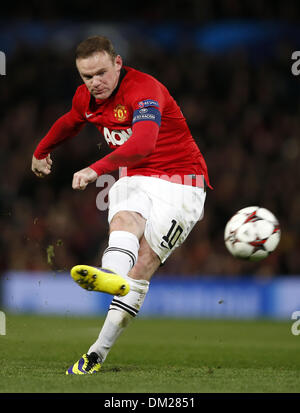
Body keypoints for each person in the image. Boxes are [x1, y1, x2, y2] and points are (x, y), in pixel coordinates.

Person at [31, 35, 211, 375]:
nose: (94, 83)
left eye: (100, 73)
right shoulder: (87, 97)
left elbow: (143, 143)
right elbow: (71, 120)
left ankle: (97, 352)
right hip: (137, 176)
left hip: (183, 184)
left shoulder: (145, 90)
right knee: (125, 219)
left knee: (142, 264)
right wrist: (41, 151)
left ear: (118, 63)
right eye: (86, 76)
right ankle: (112, 277)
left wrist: (94, 168)